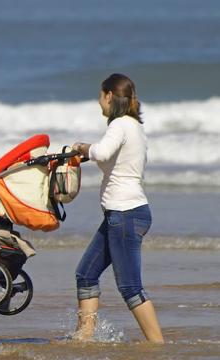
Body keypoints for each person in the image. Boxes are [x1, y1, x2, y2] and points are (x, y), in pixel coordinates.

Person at [71, 73, 164, 343]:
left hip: (125, 215)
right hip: (123, 214)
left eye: (100, 96)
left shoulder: (119, 125)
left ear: (109, 95)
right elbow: (114, 160)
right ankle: (84, 338)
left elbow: (100, 152)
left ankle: (157, 345)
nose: (99, 102)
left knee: (130, 288)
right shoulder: (135, 127)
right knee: (86, 274)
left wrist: (81, 147)